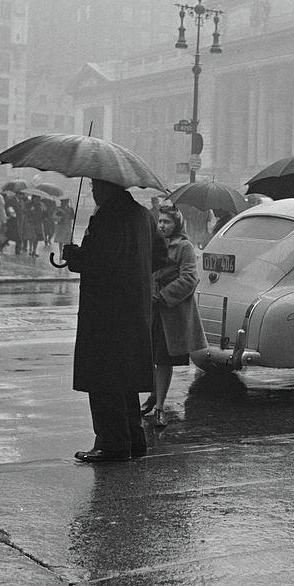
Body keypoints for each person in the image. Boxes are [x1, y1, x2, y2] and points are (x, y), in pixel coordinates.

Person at [63, 178, 168, 462]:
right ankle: (134, 440)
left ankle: (112, 444)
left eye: (95, 186)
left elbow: (97, 263)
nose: (93, 191)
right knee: (126, 379)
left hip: (106, 313)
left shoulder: (107, 218)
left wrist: (75, 257)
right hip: (135, 310)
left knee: (104, 379)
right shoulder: (143, 215)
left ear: (107, 188)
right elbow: (161, 255)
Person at [142, 205, 206, 428]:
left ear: (177, 225)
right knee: (148, 356)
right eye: (159, 221)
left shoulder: (184, 247)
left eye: (166, 222)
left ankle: (160, 407)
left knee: (163, 360)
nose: (161, 225)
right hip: (151, 308)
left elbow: (190, 278)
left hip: (170, 311)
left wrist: (162, 295)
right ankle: (152, 396)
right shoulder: (154, 244)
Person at [23, 193, 45, 257]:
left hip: (38, 223)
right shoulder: (29, 204)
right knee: (32, 237)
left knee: (37, 238)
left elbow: (44, 214)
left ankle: (34, 250)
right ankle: (30, 249)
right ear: (33, 198)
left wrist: (43, 211)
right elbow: (24, 211)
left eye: (39, 198)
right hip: (31, 222)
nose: (38, 199)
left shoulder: (41, 205)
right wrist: (30, 210)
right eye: (37, 198)